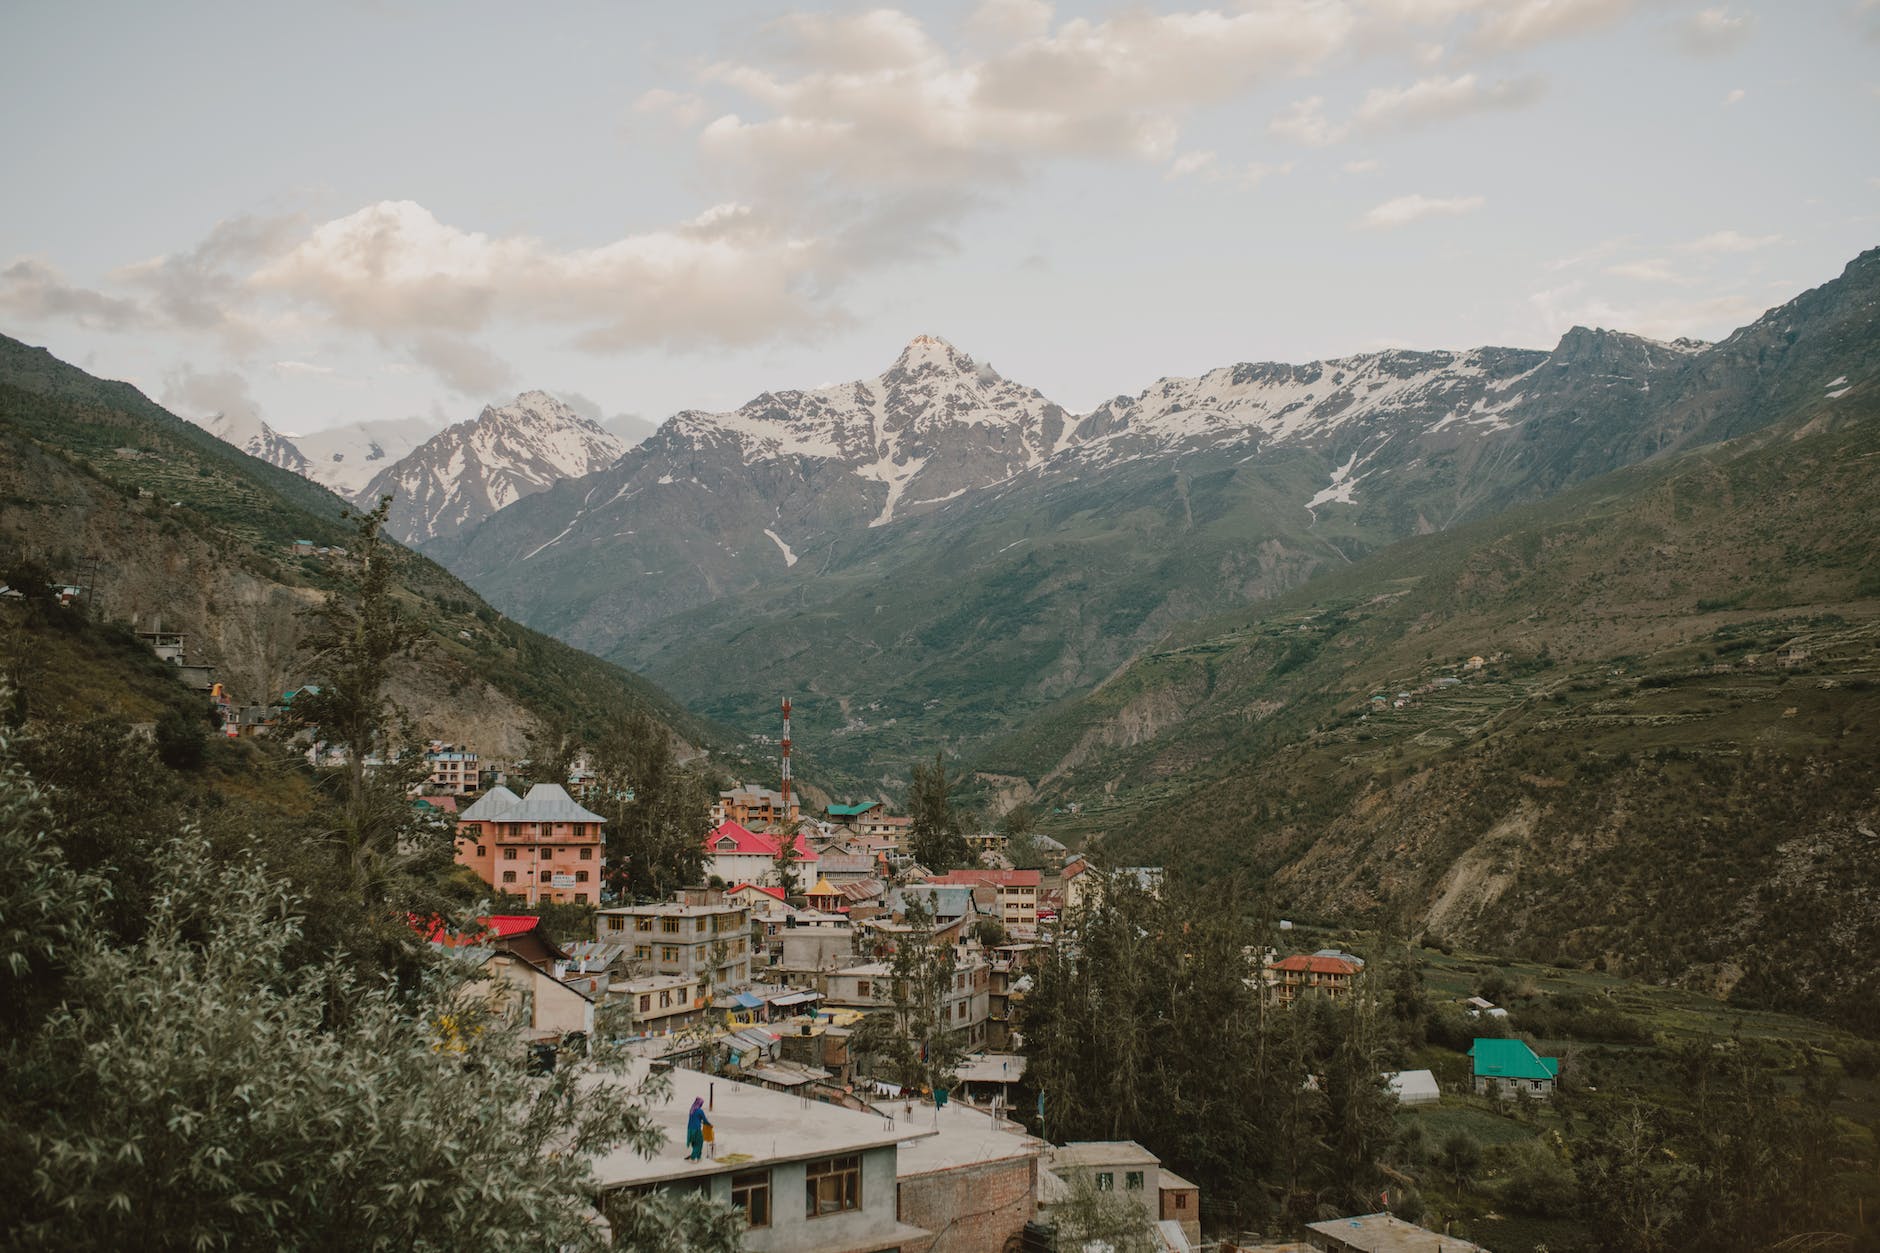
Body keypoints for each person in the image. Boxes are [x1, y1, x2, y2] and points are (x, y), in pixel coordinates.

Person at [686, 1096, 711, 1161]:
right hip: (696, 1129)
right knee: (699, 1142)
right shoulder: (700, 1111)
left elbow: (695, 1119)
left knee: (694, 1143)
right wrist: (710, 1125)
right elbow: (705, 1120)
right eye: (701, 1103)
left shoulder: (692, 1110)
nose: (701, 1105)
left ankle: (698, 1157)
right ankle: (693, 1157)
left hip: (690, 1130)